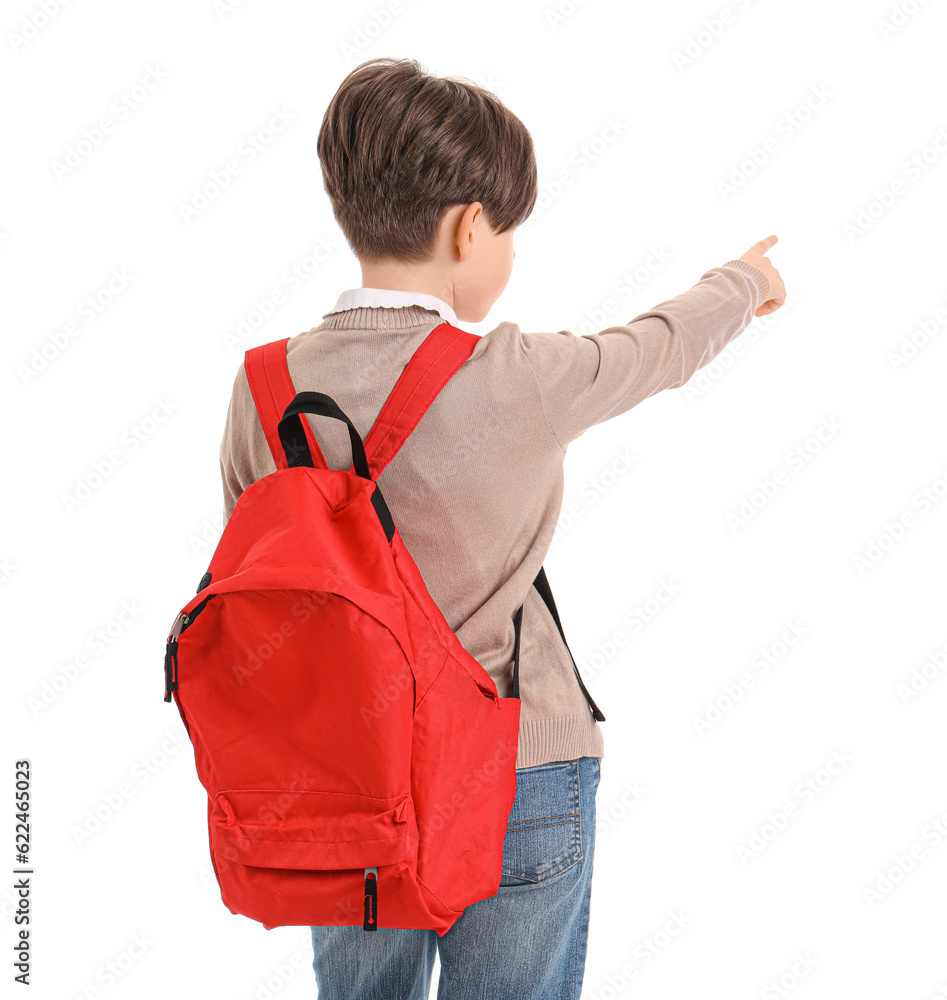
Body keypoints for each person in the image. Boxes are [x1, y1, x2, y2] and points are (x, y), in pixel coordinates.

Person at [218, 56, 785, 1000]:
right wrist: (746, 280)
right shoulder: (517, 372)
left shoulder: (263, 384)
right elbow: (659, 346)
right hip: (515, 768)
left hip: (337, 784)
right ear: (470, 226)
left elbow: (262, 566)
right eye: (508, 229)